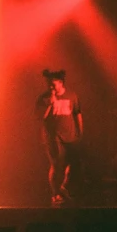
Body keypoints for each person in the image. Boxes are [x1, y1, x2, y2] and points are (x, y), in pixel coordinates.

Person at [35, 69, 83, 206]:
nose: (50, 87)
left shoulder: (72, 95)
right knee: (56, 165)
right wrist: (50, 103)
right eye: (48, 84)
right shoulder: (43, 98)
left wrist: (80, 131)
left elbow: (78, 113)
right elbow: (41, 117)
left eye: (53, 84)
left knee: (73, 164)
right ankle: (55, 194)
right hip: (52, 137)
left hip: (70, 136)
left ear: (61, 83)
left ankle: (62, 188)